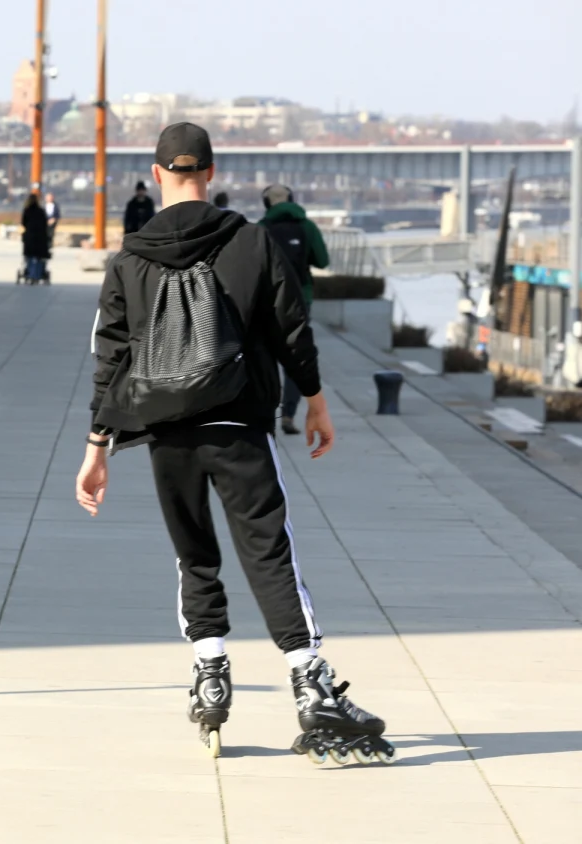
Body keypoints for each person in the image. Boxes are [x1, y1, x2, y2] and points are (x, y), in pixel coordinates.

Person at [77, 122, 393, 764]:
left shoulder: (130, 259)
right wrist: (315, 401)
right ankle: (311, 683)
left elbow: (110, 355)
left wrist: (97, 445)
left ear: (158, 172)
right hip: (239, 425)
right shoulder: (250, 241)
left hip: (165, 430)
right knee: (271, 554)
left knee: (194, 555)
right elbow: (290, 329)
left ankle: (211, 672)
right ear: (212, 173)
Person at [259, 184, 330, 435]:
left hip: (267, 300)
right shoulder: (307, 227)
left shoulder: (260, 229)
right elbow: (323, 260)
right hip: (301, 297)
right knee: (296, 355)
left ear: (266, 203)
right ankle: (288, 414)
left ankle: (266, 413)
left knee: (265, 354)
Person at [20, 193, 50, 283]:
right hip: (40, 237)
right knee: (39, 257)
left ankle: (30, 273)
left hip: (30, 236)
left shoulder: (27, 210)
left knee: (29, 256)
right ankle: (37, 274)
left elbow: (23, 223)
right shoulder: (41, 211)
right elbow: (45, 223)